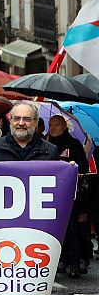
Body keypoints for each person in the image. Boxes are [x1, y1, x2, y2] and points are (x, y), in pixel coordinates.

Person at [0, 102, 60, 295]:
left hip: (38, 229)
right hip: (4, 228)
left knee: (36, 280)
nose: (21, 123)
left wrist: (69, 171)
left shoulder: (50, 151)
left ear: (35, 123)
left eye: (26, 119)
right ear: (10, 121)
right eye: (17, 118)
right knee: (5, 279)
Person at [45, 115, 90, 278]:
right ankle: (58, 261)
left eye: (57, 125)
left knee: (72, 230)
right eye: (51, 125)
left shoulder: (73, 144)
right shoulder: (45, 144)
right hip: (49, 195)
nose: (53, 128)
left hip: (71, 196)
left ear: (64, 127)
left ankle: (74, 262)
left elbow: (83, 167)